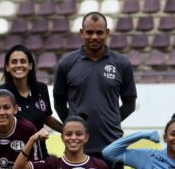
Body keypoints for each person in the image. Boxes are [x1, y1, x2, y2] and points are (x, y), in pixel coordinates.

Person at [53, 12, 137, 159]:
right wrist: (74, 126)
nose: (94, 37)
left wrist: (112, 121)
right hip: (78, 147)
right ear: (81, 33)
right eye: (89, 32)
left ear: (107, 33)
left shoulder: (122, 63)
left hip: (112, 145)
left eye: (99, 32)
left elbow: (130, 104)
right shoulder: (67, 63)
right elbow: (59, 103)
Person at [0, 43, 62, 133]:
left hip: (39, 146)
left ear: (30, 65)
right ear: (7, 67)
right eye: (14, 62)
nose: (18, 65)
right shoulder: (1, 92)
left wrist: (67, 130)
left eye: (23, 61)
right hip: (14, 146)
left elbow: (46, 117)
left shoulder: (41, 88)